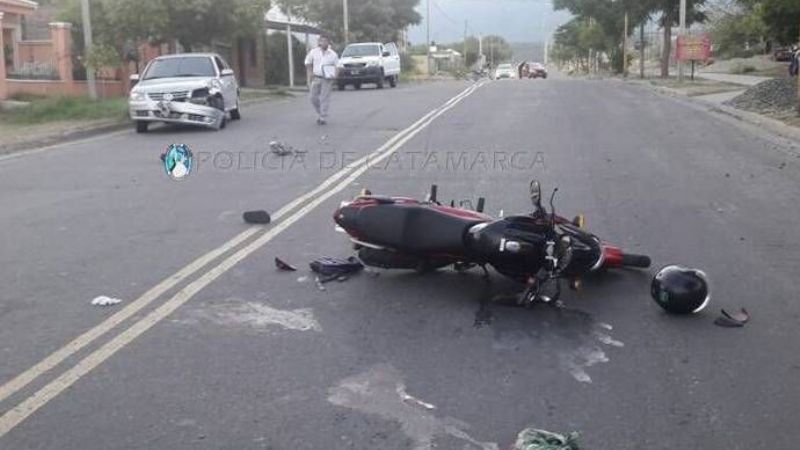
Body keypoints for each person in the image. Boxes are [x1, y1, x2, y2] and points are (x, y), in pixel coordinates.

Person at [304, 36, 339, 125]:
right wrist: (310, 73)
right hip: (316, 77)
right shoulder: (314, 52)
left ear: (328, 42)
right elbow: (308, 62)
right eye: (322, 41)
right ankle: (320, 112)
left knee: (324, 98)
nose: (323, 43)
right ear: (319, 42)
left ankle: (322, 117)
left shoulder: (333, 54)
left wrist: (335, 75)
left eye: (325, 41)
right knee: (313, 97)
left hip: (327, 78)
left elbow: (337, 66)